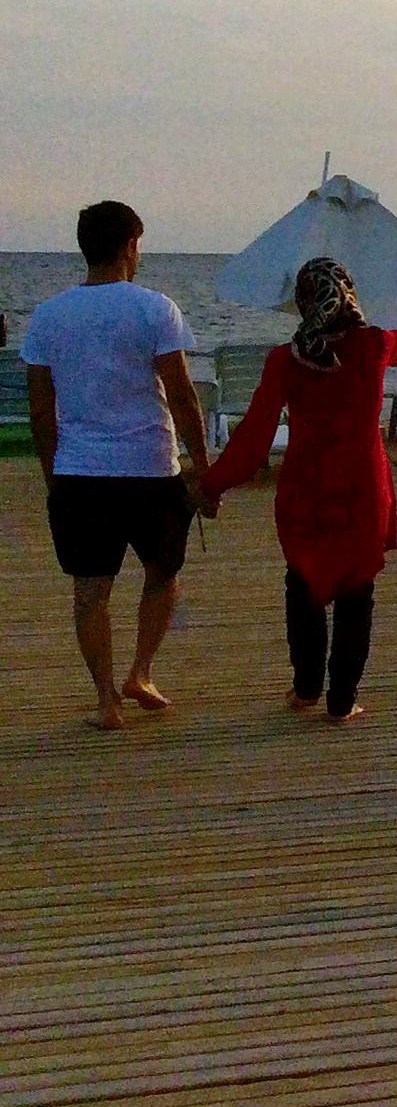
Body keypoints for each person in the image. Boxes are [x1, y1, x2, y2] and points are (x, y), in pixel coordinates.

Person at [201, 260, 397, 723]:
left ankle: (307, 688)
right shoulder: (373, 346)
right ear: (349, 294)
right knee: (357, 596)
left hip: (305, 491)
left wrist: (213, 485)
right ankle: (342, 700)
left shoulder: (284, 360)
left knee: (302, 586)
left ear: (302, 301)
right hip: (362, 490)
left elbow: (254, 436)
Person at [21, 200, 213, 730]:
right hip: (152, 468)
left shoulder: (47, 315)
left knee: (91, 591)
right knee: (163, 574)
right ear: (131, 246)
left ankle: (107, 699)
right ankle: (141, 671)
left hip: (80, 473)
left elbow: (40, 407)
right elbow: (182, 396)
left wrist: (52, 474)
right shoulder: (155, 308)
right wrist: (204, 467)